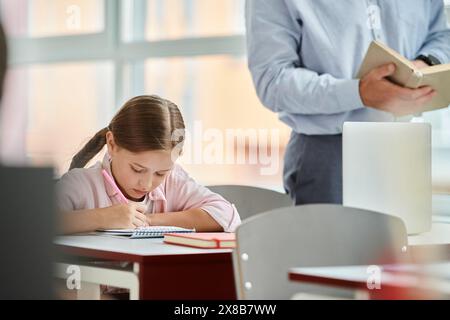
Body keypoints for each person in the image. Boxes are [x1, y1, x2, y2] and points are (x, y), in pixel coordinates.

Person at [245, 0, 450, 204]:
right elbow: (272, 81)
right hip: (329, 155)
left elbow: (441, 35)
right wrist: (359, 92)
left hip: (406, 145)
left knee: (409, 236)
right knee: (330, 237)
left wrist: (425, 63)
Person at [57, 95, 241, 234]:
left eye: (160, 173)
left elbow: (226, 215)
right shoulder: (81, 184)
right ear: (112, 145)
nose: (146, 184)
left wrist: (147, 220)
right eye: (137, 169)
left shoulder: (174, 181)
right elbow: (33, 224)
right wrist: (102, 217)